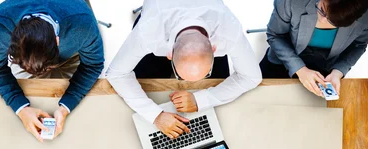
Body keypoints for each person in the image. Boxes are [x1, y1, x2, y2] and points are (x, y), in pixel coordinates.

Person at [106, 0, 261, 139]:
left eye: (205, 73)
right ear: (169, 54)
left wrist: (201, 100)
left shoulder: (228, 30)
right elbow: (117, 73)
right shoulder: (149, 31)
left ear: (214, 48)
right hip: (160, 17)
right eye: (181, 76)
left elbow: (251, 77)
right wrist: (155, 115)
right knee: (146, 81)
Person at [0, 0, 104, 143]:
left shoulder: (83, 23)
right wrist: (20, 108)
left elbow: (93, 65)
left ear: (58, 41)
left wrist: (66, 107)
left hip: (73, 49)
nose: (40, 73)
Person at [261, 0, 368, 97]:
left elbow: (359, 45)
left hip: (325, 70)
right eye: (322, 8)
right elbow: (275, 35)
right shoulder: (290, 2)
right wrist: (300, 69)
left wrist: (337, 72)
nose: (323, 20)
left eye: (332, 20)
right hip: (281, 62)